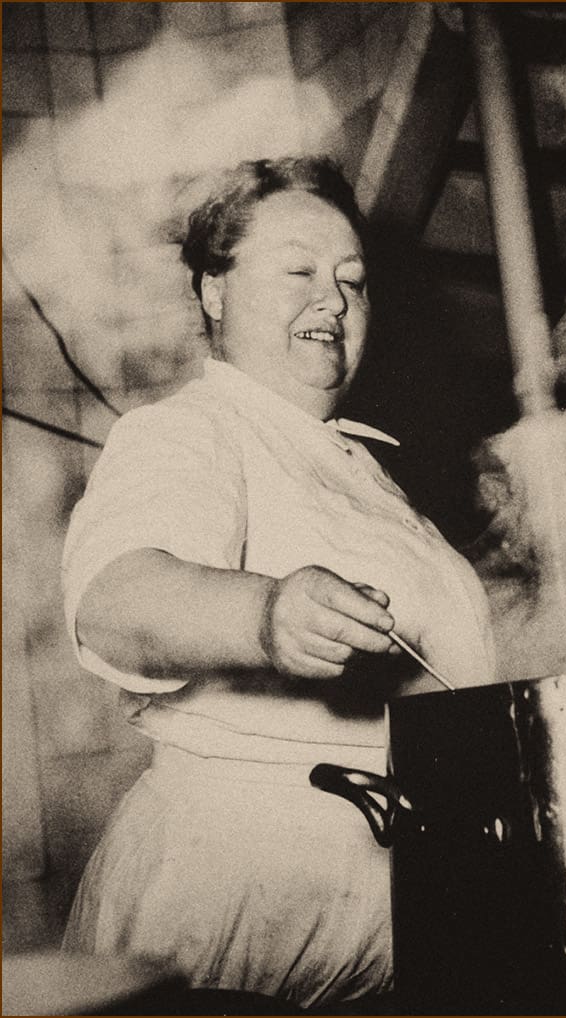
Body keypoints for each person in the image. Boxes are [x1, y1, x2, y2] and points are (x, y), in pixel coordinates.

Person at [61, 155, 496, 1009]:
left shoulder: (364, 469)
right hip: (237, 925)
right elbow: (115, 602)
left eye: (353, 281)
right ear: (213, 292)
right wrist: (265, 616)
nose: (333, 299)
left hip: (385, 926)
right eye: (298, 269)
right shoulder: (191, 429)